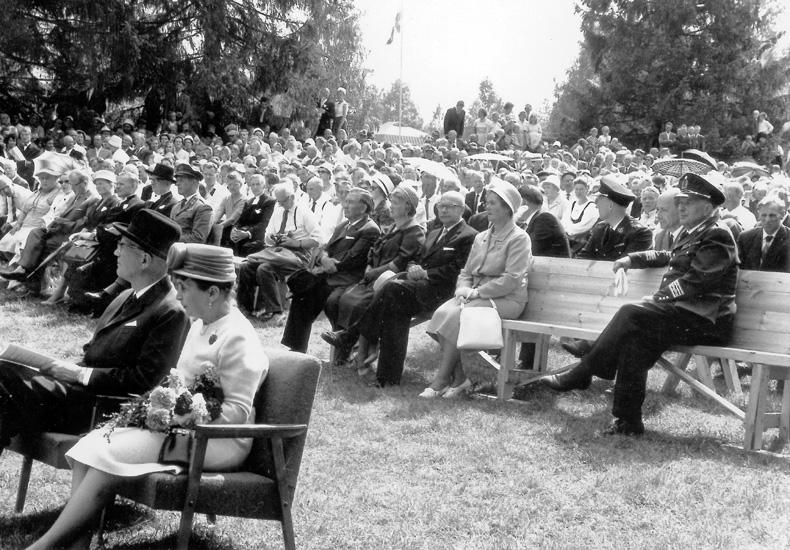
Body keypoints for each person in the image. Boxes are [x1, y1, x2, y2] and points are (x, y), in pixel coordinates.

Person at [26, 243, 266, 550]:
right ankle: (76, 546)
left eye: (183, 287)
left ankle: (44, 547)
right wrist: (165, 407)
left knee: (105, 451)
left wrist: (182, 414)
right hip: (186, 431)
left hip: (219, 441)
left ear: (212, 292)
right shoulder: (201, 324)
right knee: (90, 445)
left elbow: (237, 413)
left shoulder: (238, 336)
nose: (177, 295)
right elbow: (182, 383)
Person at [542, 173, 738, 436]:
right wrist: (632, 259)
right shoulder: (694, 232)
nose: (681, 207)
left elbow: (697, 281)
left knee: (630, 312)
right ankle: (628, 421)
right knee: (635, 342)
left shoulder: (717, 234)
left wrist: (658, 298)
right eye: (680, 202)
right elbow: (668, 256)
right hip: (685, 316)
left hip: (707, 321)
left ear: (707, 208)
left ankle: (583, 372)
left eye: (688, 202)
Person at [0, 209, 188, 454]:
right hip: (78, 395)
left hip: (100, 409)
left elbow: (145, 381)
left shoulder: (170, 311)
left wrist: (80, 374)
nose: (115, 252)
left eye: (122, 246)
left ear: (144, 259)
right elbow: (94, 352)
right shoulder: (125, 296)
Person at [321, 190, 477, 387]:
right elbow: (416, 258)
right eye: (441, 206)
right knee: (394, 308)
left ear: (462, 210)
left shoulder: (469, 235)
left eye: (450, 206)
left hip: (444, 293)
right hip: (417, 288)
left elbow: (459, 269)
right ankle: (387, 379)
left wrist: (427, 273)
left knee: (392, 290)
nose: (444, 210)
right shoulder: (434, 232)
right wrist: (412, 268)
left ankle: (350, 336)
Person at [420, 181, 532, 398]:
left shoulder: (519, 238)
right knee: (442, 314)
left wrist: (476, 293)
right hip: (475, 296)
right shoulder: (481, 237)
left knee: (457, 317)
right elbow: (466, 271)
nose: (486, 207)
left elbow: (512, 279)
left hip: (508, 300)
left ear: (507, 208)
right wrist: (462, 290)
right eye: (487, 202)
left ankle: (441, 380)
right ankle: (460, 379)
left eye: (493, 203)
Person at [322, 185, 425, 368]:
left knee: (358, 303)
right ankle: (348, 348)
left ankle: (357, 348)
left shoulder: (414, 231)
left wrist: (372, 273)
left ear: (408, 207)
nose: (390, 206)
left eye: (395, 203)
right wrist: (370, 265)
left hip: (389, 281)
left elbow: (399, 263)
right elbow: (374, 251)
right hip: (374, 278)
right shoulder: (393, 227)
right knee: (345, 299)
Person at [280, 187, 380, 353]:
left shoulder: (370, 229)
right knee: (302, 296)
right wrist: (324, 258)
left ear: (363, 208)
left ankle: (343, 351)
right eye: (345, 201)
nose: (345, 205)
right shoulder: (344, 225)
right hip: (329, 275)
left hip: (347, 280)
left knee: (333, 302)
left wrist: (327, 263)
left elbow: (351, 258)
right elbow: (325, 248)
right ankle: (296, 348)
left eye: (350, 202)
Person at [237, 182, 322, 321]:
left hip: (298, 255)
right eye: (278, 201)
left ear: (292, 196)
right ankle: (245, 309)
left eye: (283, 201)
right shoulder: (278, 211)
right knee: (246, 266)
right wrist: (272, 237)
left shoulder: (304, 212)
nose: (281, 204)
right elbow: (267, 235)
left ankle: (277, 312)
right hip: (276, 252)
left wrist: (297, 243)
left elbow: (320, 239)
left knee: (264, 268)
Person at [736, 195, 790, 272]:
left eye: (772, 215)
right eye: (764, 215)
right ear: (759, 215)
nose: (767, 220)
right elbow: (738, 269)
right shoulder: (745, 237)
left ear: (782, 215)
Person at [170, 163, 213, 244]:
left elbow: (198, 238)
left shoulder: (203, 207)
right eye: (177, 180)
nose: (177, 184)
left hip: (187, 250)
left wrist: (170, 239)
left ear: (194, 183)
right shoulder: (177, 205)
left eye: (181, 180)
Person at [562, 177, 599, 254]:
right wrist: (565, 231)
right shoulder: (573, 203)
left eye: (581, 189)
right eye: (576, 189)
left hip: (583, 241)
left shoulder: (591, 206)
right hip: (569, 237)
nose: (579, 192)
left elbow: (584, 226)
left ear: (587, 189)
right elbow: (565, 220)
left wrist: (568, 231)